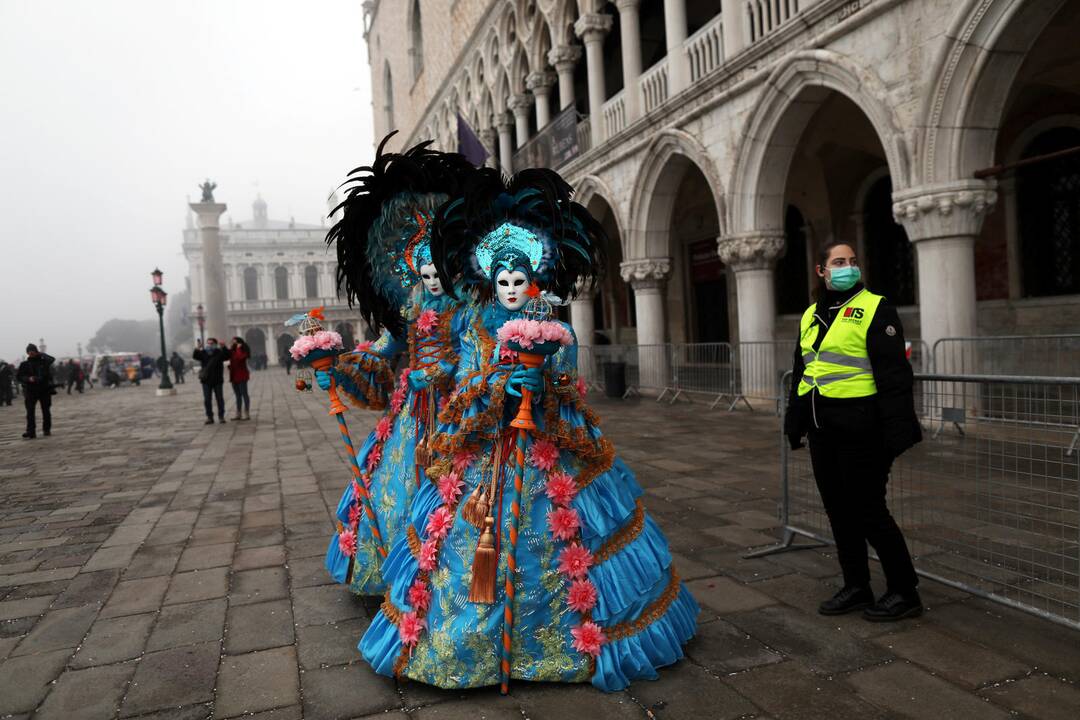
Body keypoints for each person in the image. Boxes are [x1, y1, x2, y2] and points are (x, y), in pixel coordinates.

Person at [358, 168, 697, 693]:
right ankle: (476, 647)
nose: (512, 290)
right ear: (490, 282)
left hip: (545, 451)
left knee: (566, 540)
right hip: (488, 458)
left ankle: (559, 646)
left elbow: (569, 392)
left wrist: (540, 382)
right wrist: (499, 385)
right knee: (463, 546)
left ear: (533, 279)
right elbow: (467, 389)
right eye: (503, 282)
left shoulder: (554, 328)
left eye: (520, 281)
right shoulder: (474, 326)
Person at [318, 137, 477, 595]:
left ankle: (438, 576)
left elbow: (472, 350)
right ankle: (393, 569)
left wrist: (449, 374)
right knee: (395, 477)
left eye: (437, 274)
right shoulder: (409, 308)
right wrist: (337, 361)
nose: (430, 281)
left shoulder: (463, 307)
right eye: (423, 275)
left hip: (454, 405)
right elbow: (387, 348)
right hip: (412, 408)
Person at [784, 240, 923, 622]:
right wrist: (794, 421)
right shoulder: (811, 314)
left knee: (869, 512)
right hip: (822, 430)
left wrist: (897, 429)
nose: (848, 267)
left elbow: (895, 376)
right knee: (839, 512)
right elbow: (803, 371)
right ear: (821, 271)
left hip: (864, 431)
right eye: (839, 261)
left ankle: (904, 591)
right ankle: (857, 585)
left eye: (852, 261)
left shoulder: (876, 307)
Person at [16, 343, 55, 439]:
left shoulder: (44, 362)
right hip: (30, 390)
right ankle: (31, 431)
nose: (31, 353)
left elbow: (52, 359)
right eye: (29, 351)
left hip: (44, 389)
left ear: (36, 351)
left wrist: (40, 353)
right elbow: (19, 377)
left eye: (32, 351)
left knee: (46, 410)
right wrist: (28, 379)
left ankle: (46, 429)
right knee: (30, 412)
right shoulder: (24, 364)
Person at [193, 338, 227, 424]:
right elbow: (195, 356)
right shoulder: (203, 352)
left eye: (211, 343)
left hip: (217, 380)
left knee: (219, 399)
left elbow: (227, 356)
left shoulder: (219, 352)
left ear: (215, 344)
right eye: (208, 344)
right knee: (207, 399)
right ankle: (209, 417)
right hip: (206, 380)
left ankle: (221, 416)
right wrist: (197, 348)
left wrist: (224, 347)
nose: (209, 345)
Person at [228, 337, 251, 421]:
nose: (233, 344)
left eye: (235, 342)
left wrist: (238, 349)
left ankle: (246, 413)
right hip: (233, 376)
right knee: (237, 395)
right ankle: (238, 413)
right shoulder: (232, 351)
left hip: (242, 375)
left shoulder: (243, 351)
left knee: (244, 394)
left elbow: (240, 357)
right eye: (233, 342)